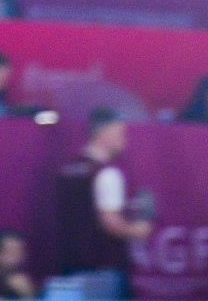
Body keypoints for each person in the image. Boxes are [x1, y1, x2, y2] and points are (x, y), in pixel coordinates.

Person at [56, 108, 151, 300]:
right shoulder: (106, 173)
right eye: (120, 133)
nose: (124, 140)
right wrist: (139, 230)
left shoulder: (67, 170)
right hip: (102, 271)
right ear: (103, 133)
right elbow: (111, 223)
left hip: (69, 270)